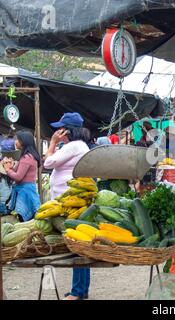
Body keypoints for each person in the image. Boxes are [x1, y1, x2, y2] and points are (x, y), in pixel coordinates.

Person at [43, 112, 90, 300]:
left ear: (67, 130)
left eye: (60, 128)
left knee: (77, 245)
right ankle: (80, 290)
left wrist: (53, 142)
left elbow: (47, 162)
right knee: (79, 245)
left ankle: (77, 292)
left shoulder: (74, 146)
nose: (57, 131)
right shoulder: (76, 146)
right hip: (70, 201)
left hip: (69, 202)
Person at [2, 130, 41, 221]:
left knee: (25, 219)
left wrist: (8, 169)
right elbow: (18, 172)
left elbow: (18, 177)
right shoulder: (29, 156)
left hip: (25, 192)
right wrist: (11, 167)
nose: (16, 142)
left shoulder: (27, 157)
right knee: (28, 219)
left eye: (18, 140)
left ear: (23, 142)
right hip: (27, 190)